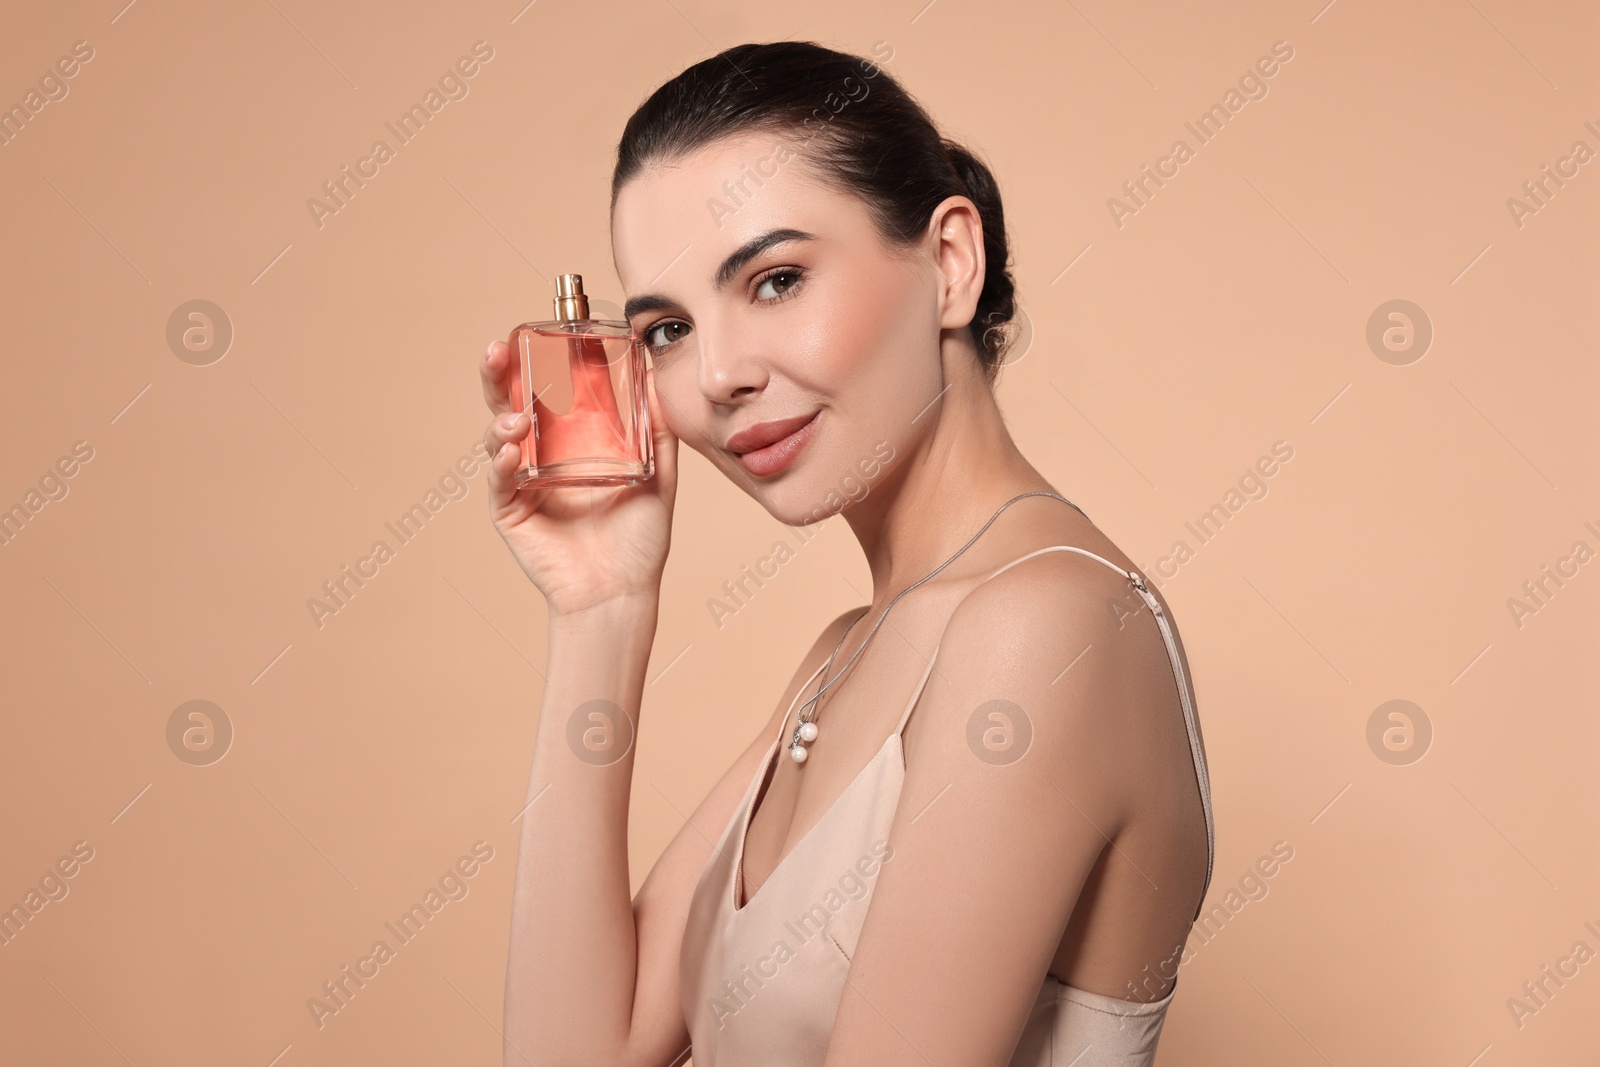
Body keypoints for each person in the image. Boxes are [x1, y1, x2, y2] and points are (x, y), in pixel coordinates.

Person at [479, 40, 1214, 1067]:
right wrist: (599, 606)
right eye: (667, 330)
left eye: (776, 280)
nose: (721, 372)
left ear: (949, 263)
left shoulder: (1044, 624)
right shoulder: (846, 655)